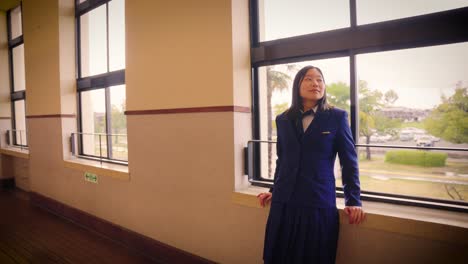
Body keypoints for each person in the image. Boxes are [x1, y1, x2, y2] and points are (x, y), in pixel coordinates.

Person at [257, 65, 365, 264]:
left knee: (313, 255)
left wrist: (353, 200)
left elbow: (349, 161)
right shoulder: (283, 119)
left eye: (320, 79)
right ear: (297, 85)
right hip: (284, 200)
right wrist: (274, 188)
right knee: (279, 255)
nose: (315, 83)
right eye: (309, 79)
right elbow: (283, 159)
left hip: (317, 200)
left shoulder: (337, 117)